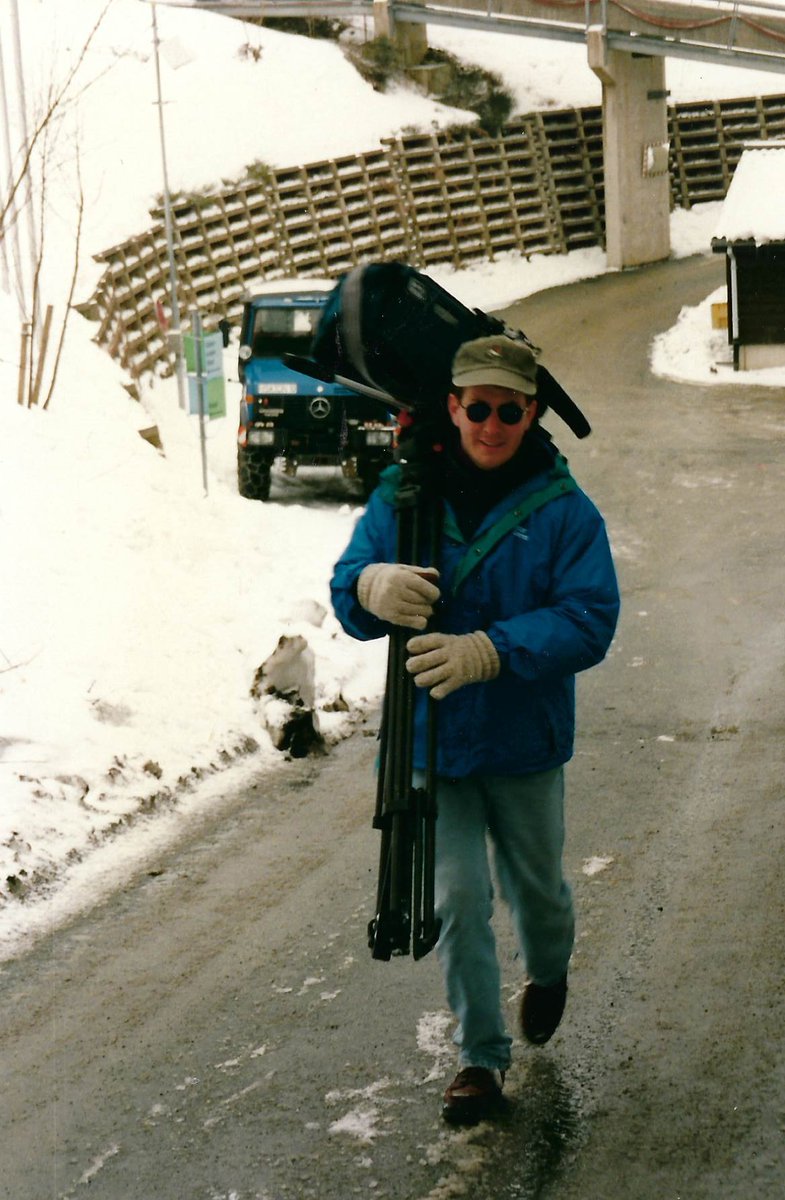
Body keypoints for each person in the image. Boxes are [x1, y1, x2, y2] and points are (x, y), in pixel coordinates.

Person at [330, 333, 620, 1126]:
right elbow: (347, 594)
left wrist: (492, 650)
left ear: (530, 413)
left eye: (509, 410)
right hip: (431, 741)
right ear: (453, 406)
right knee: (456, 898)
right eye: (478, 408)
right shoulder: (403, 496)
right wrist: (370, 584)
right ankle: (479, 1058)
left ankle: (550, 973)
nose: (491, 425)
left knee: (537, 895)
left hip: (523, 741)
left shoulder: (563, 512)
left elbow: (590, 620)